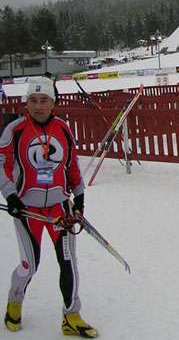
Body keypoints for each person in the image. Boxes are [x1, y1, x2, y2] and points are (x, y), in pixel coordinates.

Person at [1, 77, 98, 337]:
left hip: (58, 209)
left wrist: (79, 197)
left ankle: (72, 316)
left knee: (68, 262)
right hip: (26, 210)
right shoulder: (16, 129)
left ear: (53, 103)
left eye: (44, 101)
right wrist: (11, 196)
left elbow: (72, 165)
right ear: (27, 102)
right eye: (33, 100)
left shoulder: (63, 129)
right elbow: (2, 165)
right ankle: (14, 300)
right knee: (29, 265)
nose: (38, 106)